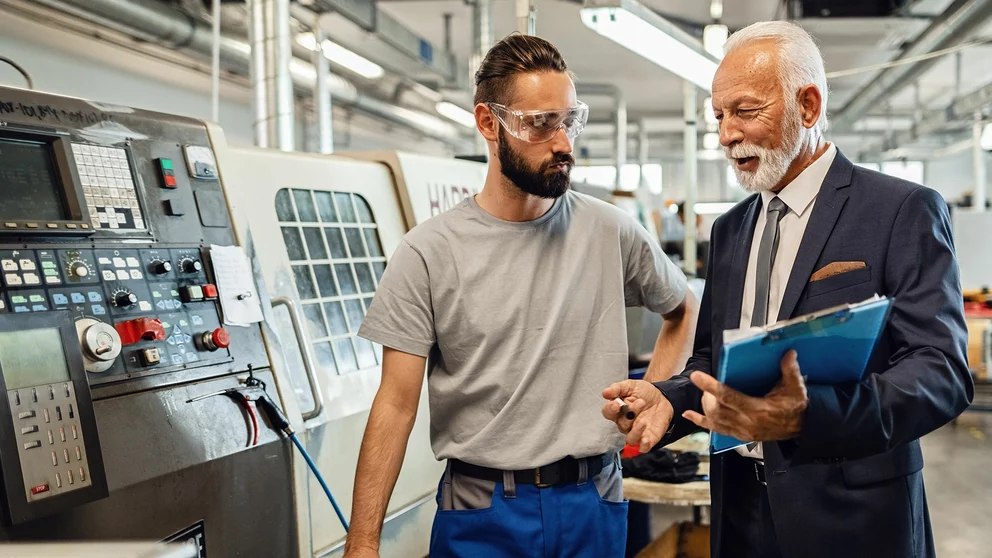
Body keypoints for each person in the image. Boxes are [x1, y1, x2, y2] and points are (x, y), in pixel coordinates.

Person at [602, 21, 973, 558]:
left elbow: (940, 371)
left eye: (745, 111)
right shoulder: (730, 230)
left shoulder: (899, 211)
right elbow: (713, 357)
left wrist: (808, 417)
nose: (727, 135)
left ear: (808, 105)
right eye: (719, 117)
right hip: (741, 511)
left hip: (852, 518)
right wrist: (669, 396)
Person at [343, 34, 699, 558]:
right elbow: (395, 404)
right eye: (540, 123)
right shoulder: (427, 252)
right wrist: (363, 541)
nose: (563, 144)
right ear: (489, 123)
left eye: (569, 121)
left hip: (592, 500)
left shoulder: (609, 230)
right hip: (482, 510)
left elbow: (682, 306)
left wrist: (658, 394)